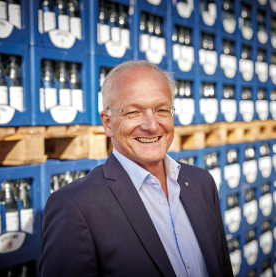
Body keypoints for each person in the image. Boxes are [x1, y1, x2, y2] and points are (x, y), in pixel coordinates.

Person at [39, 60, 233, 277]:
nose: (151, 126)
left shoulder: (201, 182)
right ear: (107, 123)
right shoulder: (75, 207)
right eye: (133, 112)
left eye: (161, 110)